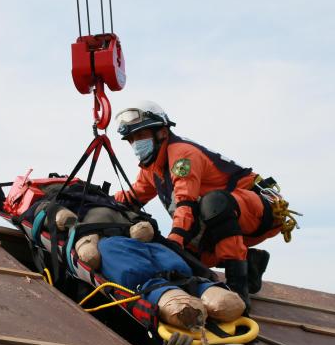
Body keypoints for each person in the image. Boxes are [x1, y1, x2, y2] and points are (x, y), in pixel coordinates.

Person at [113, 101, 284, 310]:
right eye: (131, 139)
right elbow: (132, 197)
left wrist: (174, 242)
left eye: (141, 136)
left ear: (162, 133)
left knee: (213, 205)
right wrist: (95, 198)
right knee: (187, 262)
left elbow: (186, 201)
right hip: (229, 218)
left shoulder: (182, 154)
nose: (136, 143)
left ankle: (238, 291)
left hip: (260, 208)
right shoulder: (152, 168)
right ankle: (250, 263)